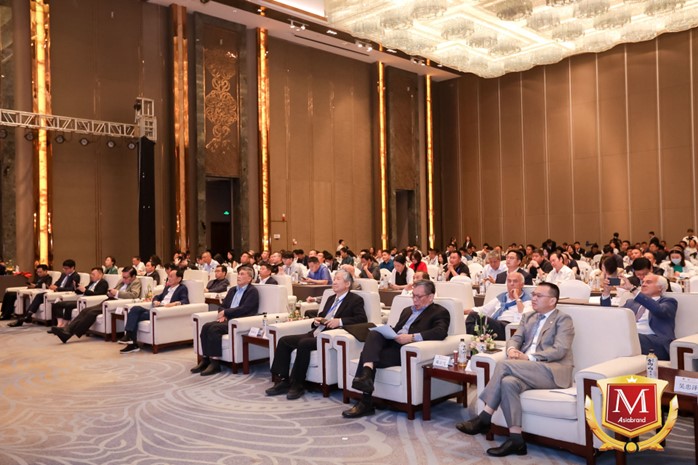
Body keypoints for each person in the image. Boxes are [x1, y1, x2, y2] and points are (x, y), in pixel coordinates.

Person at [456, 282, 574, 457]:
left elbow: (560, 349)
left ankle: (484, 417)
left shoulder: (563, 319)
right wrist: (511, 349)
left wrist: (529, 357)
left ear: (552, 301)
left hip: (552, 370)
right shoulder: (528, 317)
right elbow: (515, 338)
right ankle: (516, 440)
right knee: (508, 382)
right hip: (527, 368)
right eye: (533, 294)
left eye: (539, 296)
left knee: (504, 365)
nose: (533, 298)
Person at [342, 280, 450, 418]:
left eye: (419, 297)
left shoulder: (440, 312)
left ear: (430, 297)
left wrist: (411, 337)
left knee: (366, 355)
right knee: (374, 334)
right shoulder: (407, 311)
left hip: (406, 351)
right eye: (413, 295)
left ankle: (365, 400)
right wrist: (388, 332)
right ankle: (367, 375)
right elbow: (397, 329)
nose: (415, 300)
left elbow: (440, 332)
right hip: (394, 344)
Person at [266, 270, 367, 400]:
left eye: (338, 279)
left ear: (347, 284)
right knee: (284, 341)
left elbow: (362, 319)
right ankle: (283, 380)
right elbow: (323, 315)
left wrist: (340, 321)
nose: (334, 282)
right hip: (316, 331)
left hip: (329, 336)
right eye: (334, 279)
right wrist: (316, 321)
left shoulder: (355, 300)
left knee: (304, 343)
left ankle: (298, 384)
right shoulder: (331, 298)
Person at [191, 267, 260, 376]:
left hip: (239, 320)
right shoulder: (233, 290)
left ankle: (215, 363)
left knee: (214, 329)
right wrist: (222, 313)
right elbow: (223, 305)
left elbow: (245, 309)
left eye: (242, 274)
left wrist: (226, 312)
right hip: (228, 318)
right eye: (238, 274)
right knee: (206, 326)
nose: (238, 276)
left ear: (249, 278)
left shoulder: (252, 291)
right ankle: (205, 359)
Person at [48, 267, 142, 344]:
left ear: (133, 276)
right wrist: (111, 293)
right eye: (123, 277)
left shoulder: (136, 282)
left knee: (92, 313)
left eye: (126, 277)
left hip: (118, 303)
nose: (123, 279)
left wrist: (116, 293)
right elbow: (114, 290)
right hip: (110, 300)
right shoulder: (121, 281)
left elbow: (134, 295)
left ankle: (68, 334)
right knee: (85, 310)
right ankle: (66, 330)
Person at [601, 273, 676, 360]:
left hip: (656, 343)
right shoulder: (631, 302)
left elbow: (658, 310)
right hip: (630, 337)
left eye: (648, 282)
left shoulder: (669, 302)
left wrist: (633, 289)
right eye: (642, 282)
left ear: (660, 287)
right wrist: (606, 292)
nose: (643, 284)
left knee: (627, 336)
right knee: (607, 333)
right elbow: (611, 315)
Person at [119, 268, 189, 354]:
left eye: (171, 276)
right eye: (168, 276)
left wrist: (174, 303)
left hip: (162, 312)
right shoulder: (167, 288)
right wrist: (155, 301)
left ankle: (131, 341)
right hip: (155, 309)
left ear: (179, 279)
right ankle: (130, 339)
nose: (169, 278)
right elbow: (157, 296)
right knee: (135, 309)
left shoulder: (182, 288)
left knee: (134, 316)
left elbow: (185, 301)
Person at [9, 259, 80, 327]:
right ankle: (28, 315)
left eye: (66, 268)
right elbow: (57, 283)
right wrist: (54, 286)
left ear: (72, 268)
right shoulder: (63, 275)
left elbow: (72, 288)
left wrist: (58, 288)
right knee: (39, 295)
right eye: (63, 268)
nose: (64, 270)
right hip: (55, 291)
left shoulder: (76, 276)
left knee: (41, 296)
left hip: (63, 293)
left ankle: (27, 316)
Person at [465, 272, 532, 340]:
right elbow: (483, 310)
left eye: (515, 281)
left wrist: (517, 297)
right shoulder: (502, 297)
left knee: (474, 316)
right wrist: (462, 311)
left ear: (522, 284)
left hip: (509, 327)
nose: (511, 284)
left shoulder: (527, 300)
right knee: (474, 321)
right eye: (509, 281)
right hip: (496, 325)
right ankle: (474, 341)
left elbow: (525, 316)